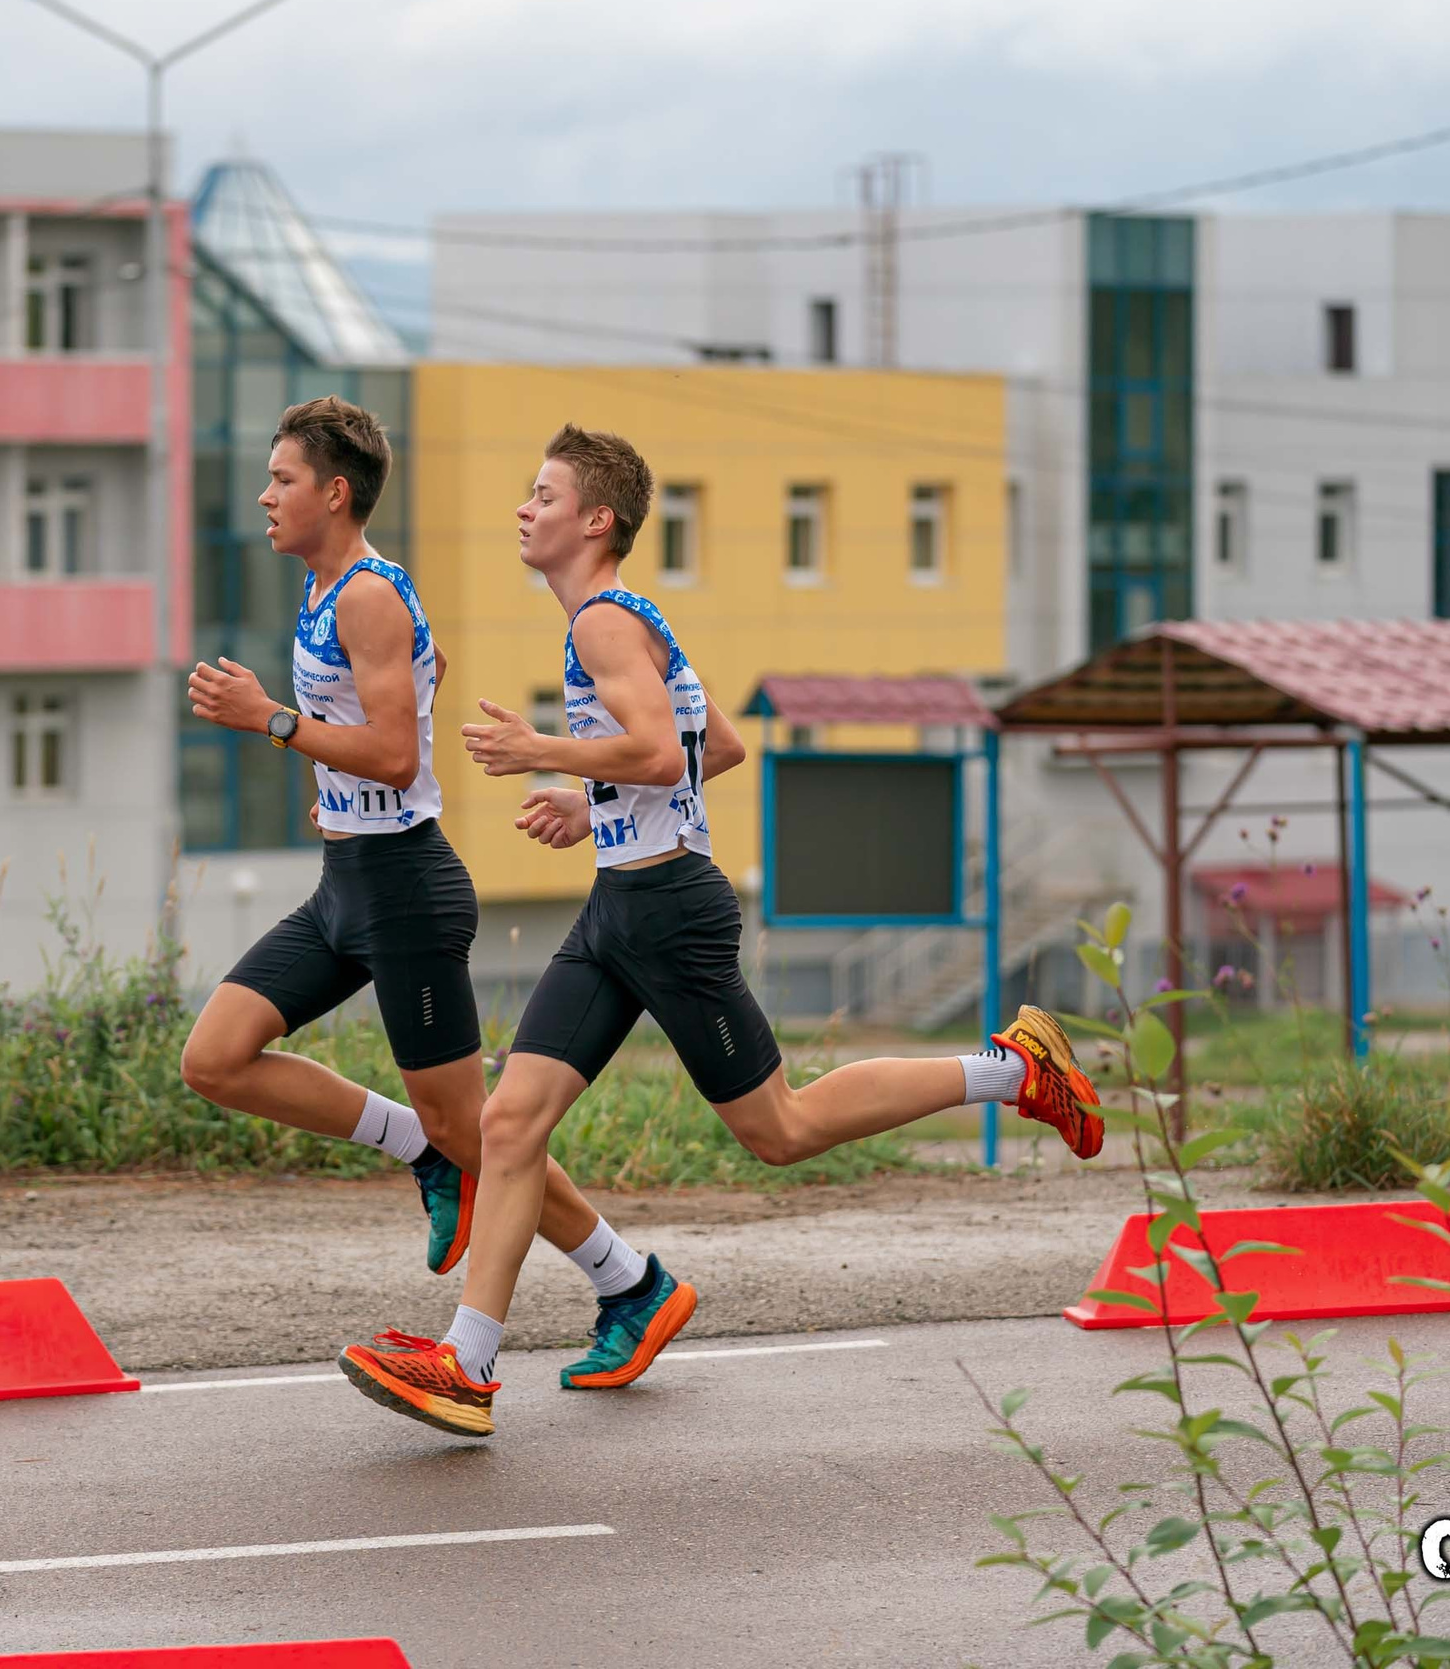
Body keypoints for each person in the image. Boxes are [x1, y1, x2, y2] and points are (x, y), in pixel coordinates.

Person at [337, 422, 1104, 1439]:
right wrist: (591, 803)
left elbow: (660, 750)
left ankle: (1013, 1069)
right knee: (509, 1126)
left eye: (544, 495)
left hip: (666, 914)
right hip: (619, 904)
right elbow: (720, 746)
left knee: (778, 1129)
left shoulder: (604, 623)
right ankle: (466, 1366)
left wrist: (542, 754)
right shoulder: (631, 620)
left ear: (596, 520)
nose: (524, 510)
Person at [180, 398, 667, 1357]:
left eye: (282, 480)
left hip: (406, 893)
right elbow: (409, 684)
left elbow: (398, 754)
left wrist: (269, 718)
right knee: (216, 1058)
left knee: (481, 1130)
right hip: (346, 883)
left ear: (334, 491)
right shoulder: (336, 590)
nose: (265, 497)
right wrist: (338, 776)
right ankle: (421, 1153)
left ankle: (630, 1280)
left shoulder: (364, 591)